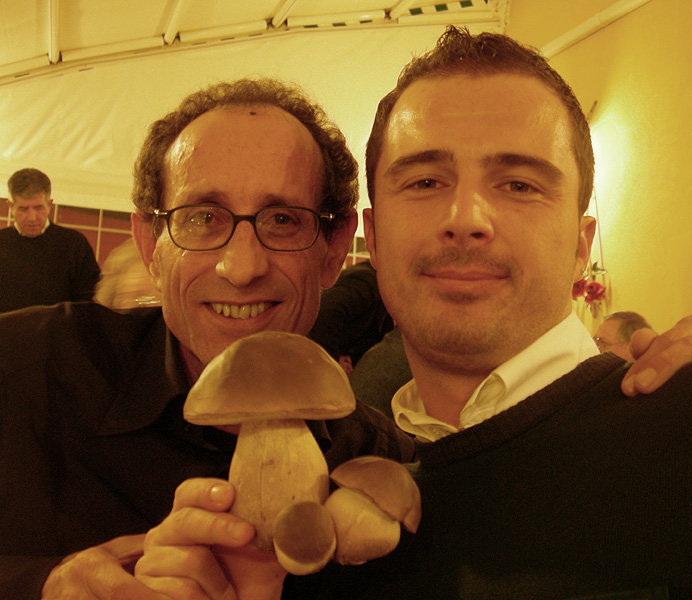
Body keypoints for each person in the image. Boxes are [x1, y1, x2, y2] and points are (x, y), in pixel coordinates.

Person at [133, 31, 692, 600]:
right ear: (372, 236)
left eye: (519, 184)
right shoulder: (337, 519)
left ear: (581, 245)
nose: (467, 218)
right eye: (425, 181)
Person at [0, 78, 417, 600]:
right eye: (201, 218)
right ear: (150, 246)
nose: (241, 267)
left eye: (282, 220)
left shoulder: (380, 461)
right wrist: (46, 585)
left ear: (333, 250)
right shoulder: (26, 368)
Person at [0, 168, 100, 312]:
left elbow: (88, 303)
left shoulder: (74, 244)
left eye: (38, 208)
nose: (32, 217)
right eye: (23, 209)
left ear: (49, 204)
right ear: (10, 206)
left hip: (60, 327)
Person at [308, 259, 394, 374]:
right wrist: (332, 365)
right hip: (310, 362)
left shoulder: (380, 287)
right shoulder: (364, 281)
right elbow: (325, 314)